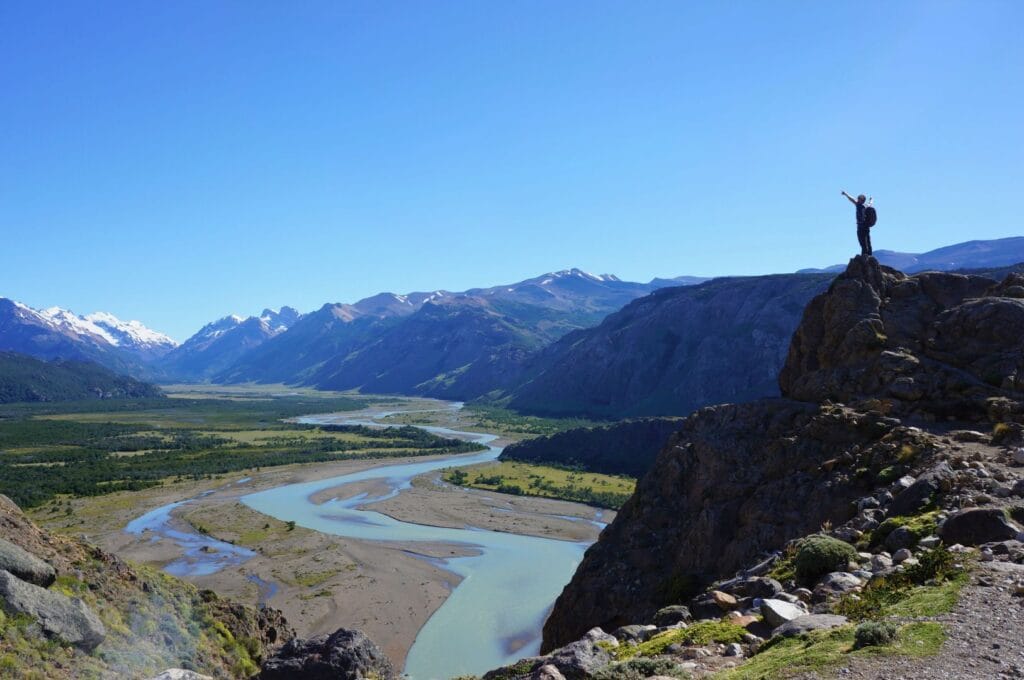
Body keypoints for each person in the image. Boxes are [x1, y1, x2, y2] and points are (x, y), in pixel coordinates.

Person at [842, 190, 873, 256]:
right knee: (867, 241)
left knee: (862, 241)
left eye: (858, 199)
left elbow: (851, 199)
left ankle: (864, 256)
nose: (857, 200)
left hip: (861, 227)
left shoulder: (859, 205)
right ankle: (869, 255)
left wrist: (845, 194)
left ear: (861, 200)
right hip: (866, 227)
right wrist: (871, 200)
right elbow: (870, 203)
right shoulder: (866, 206)